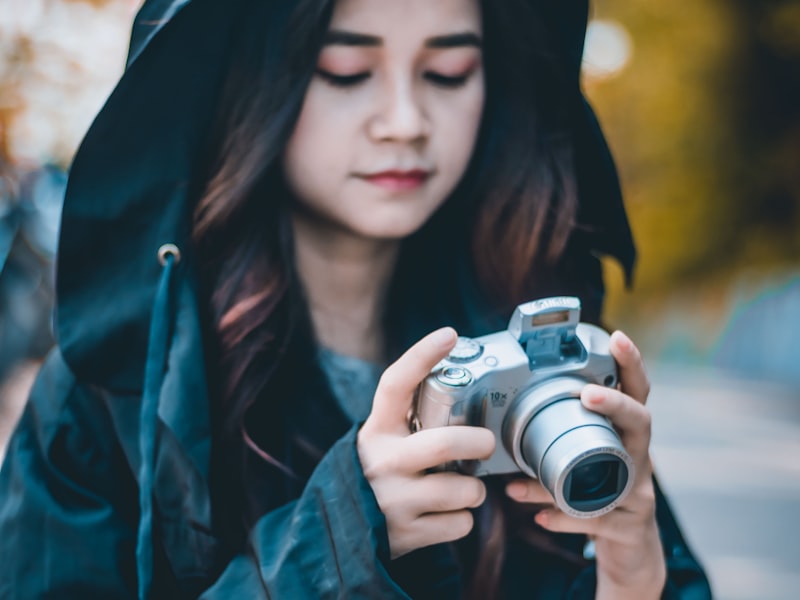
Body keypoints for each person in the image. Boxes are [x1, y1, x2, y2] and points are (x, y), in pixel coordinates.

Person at [0, 0, 712, 598]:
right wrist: (340, 540)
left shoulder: (539, 358)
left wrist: (637, 576)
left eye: (448, 70)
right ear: (252, 79)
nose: (404, 120)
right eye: (346, 70)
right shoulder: (114, 387)